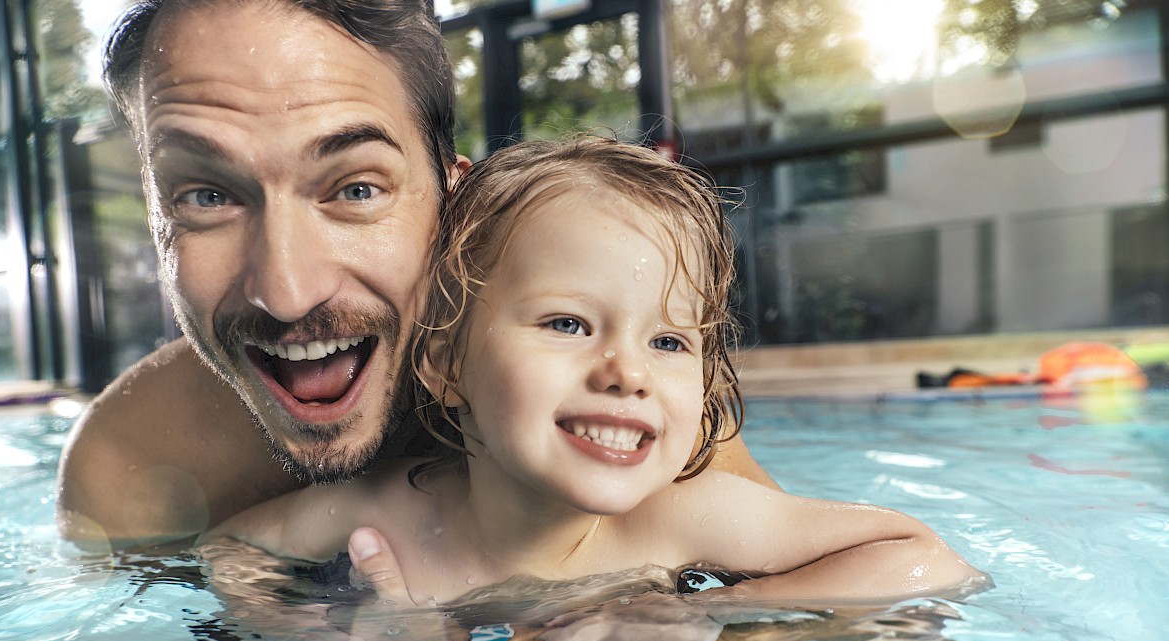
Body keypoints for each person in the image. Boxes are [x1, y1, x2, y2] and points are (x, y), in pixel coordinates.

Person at [54, 0, 775, 553]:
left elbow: (804, 620)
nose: (286, 291)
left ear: (458, 203)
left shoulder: (609, 393)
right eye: (206, 197)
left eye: (357, 188)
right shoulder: (133, 470)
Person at [208, 136, 984, 641]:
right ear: (445, 363)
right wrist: (319, 634)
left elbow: (926, 558)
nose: (628, 371)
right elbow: (228, 550)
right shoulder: (388, 517)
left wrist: (700, 615)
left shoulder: (678, 521)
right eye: (569, 325)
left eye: (670, 342)